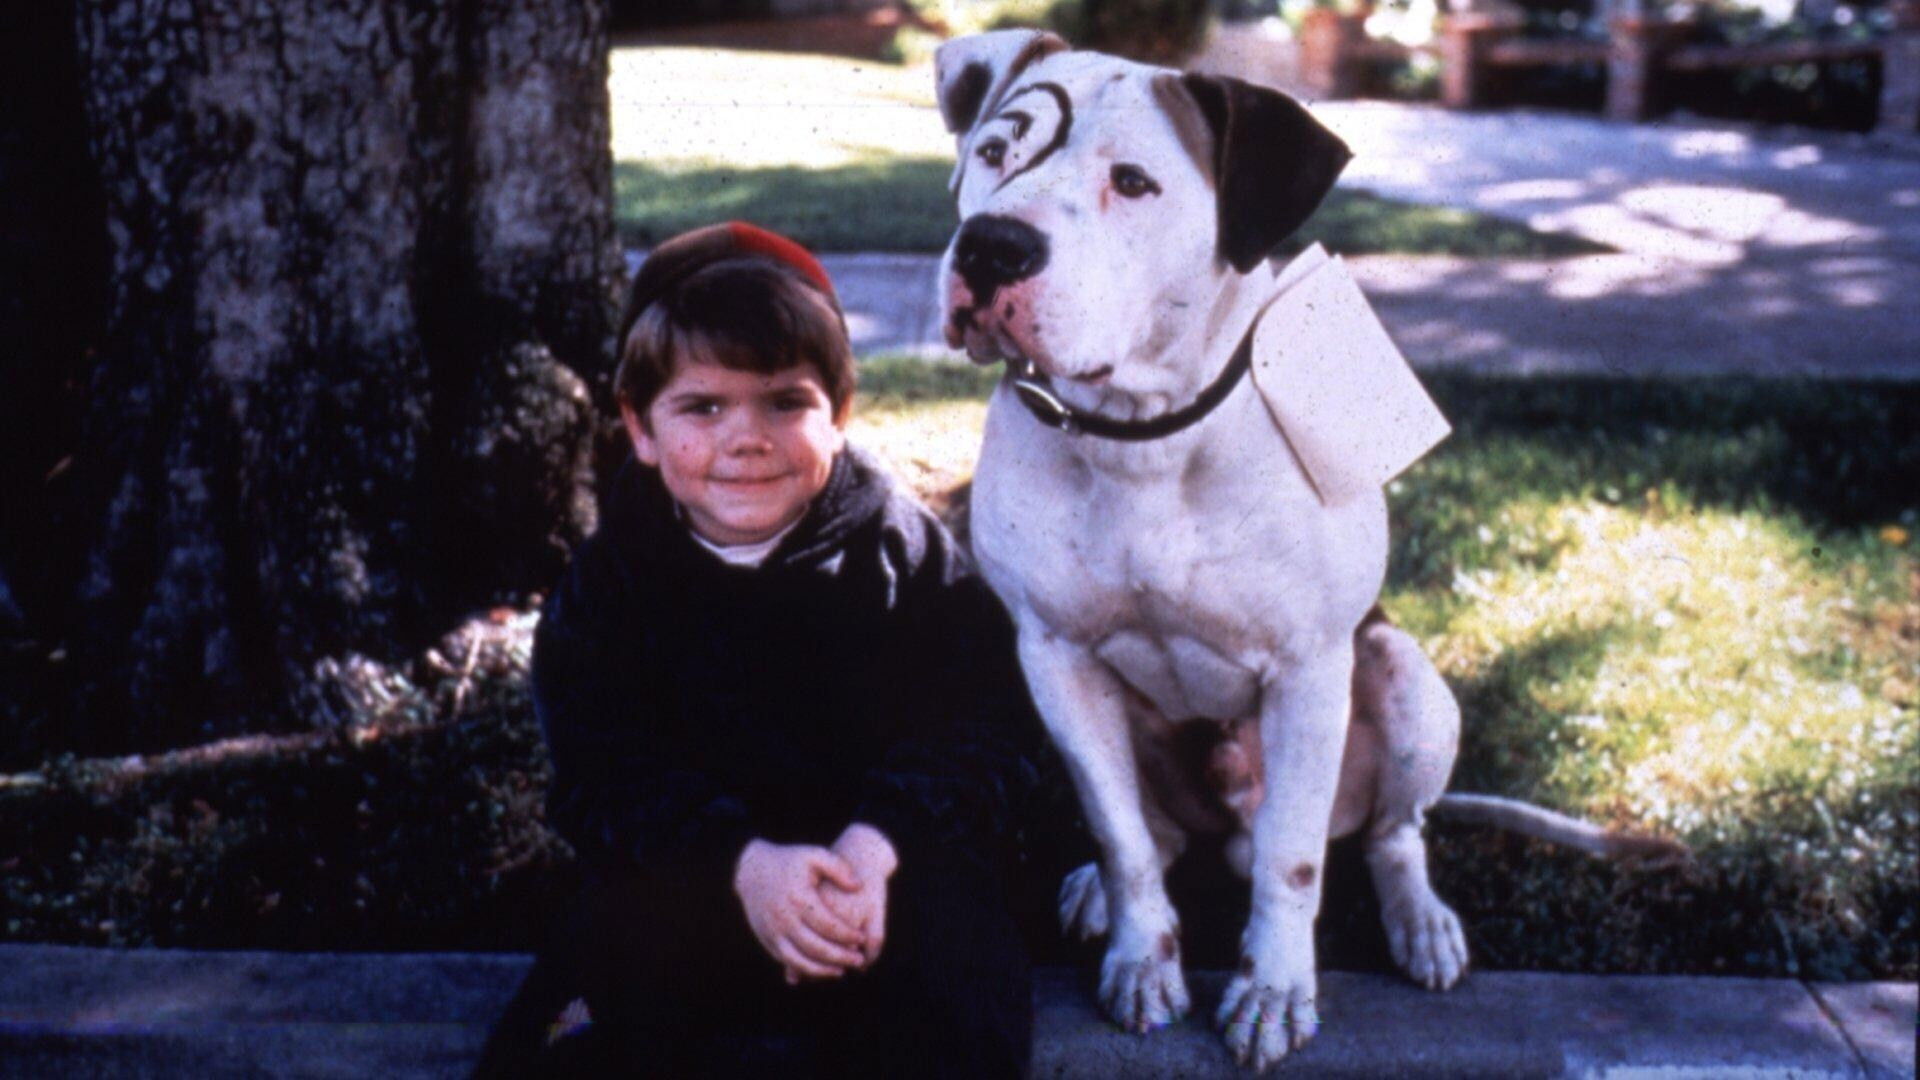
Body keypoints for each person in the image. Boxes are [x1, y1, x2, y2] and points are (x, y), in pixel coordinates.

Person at [475, 222, 1041, 1078]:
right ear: (640, 426)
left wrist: (876, 846)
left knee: (957, 1016)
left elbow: (986, 725)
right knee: (570, 1037)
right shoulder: (612, 582)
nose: (747, 437)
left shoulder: (901, 554)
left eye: (784, 402)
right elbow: (602, 774)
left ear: (839, 414)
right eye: (703, 406)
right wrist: (741, 866)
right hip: (691, 878)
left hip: (880, 881)